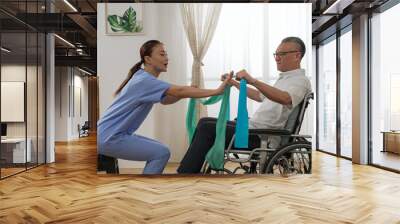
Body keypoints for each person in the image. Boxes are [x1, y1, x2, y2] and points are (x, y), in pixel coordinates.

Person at [177, 36, 312, 174]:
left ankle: (185, 173)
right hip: (253, 129)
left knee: (207, 128)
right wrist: (234, 84)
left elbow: (285, 98)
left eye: (281, 54)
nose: (277, 58)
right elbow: (260, 96)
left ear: (297, 55)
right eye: (276, 54)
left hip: (262, 137)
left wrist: (253, 81)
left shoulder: (301, 81)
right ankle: (189, 171)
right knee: (204, 122)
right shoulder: (285, 79)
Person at [97, 40, 232, 175]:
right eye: (162, 54)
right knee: (161, 153)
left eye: (166, 54)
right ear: (148, 59)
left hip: (108, 134)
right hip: (110, 137)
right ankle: (146, 190)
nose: (166, 58)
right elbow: (178, 91)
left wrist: (188, 92)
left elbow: (166, 100)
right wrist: (216, 91)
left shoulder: (142, 77)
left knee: (161, 150)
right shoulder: (145, 81)